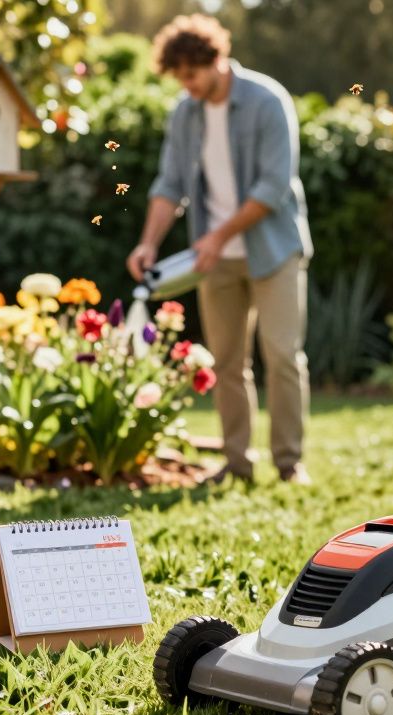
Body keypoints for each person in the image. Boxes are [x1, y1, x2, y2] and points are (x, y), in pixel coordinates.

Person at [128, 14, 313, 485]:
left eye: (191, 75)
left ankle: (289, 464)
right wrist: (148, 243)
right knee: (228, 362)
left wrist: (218, 236)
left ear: (216, 60)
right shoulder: (184, 113)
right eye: (179, 78)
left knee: (282, 355)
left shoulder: (268, 100)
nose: (186, 86)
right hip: (215, 259)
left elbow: (274, 186)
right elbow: (169, 184)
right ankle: (237, 463)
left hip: (273, 250)